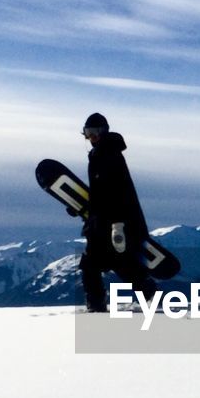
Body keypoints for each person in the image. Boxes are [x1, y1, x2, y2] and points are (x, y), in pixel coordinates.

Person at [77, 112, 158, 312]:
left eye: (95, 132)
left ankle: (98, 304)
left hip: (113, 223)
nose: (92, 137)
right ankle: (146, 293)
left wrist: (118, 224)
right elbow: (99, 195)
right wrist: (83, 209)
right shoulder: (100, 154)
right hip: (103, 222)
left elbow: (119, 192)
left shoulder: (108, 155)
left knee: (105, 263)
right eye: (88, 133)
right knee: (107, 263)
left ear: (104, 131)